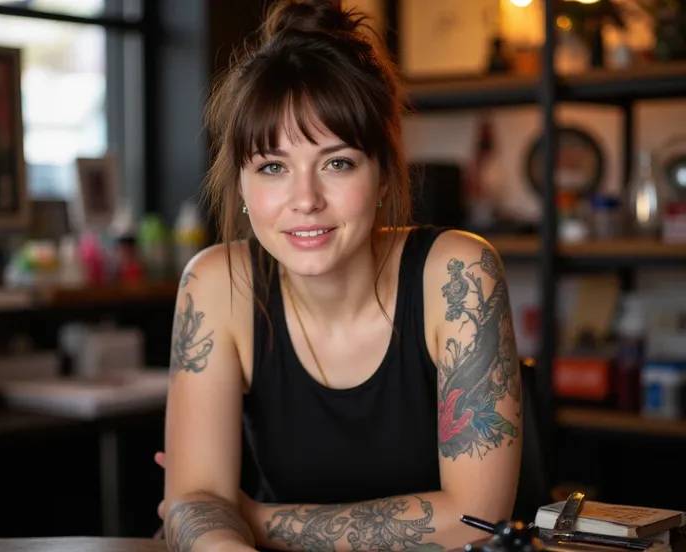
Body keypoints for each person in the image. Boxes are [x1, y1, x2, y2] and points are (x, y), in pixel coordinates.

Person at [160, 1, 523, 551]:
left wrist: (255, 520)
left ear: (382, 175)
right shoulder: (214, 284)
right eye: (273, 167)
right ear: (241, 185)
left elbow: (477, 517)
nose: (305, 200)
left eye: (337, 162)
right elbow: (192, 503)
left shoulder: (457, 275)